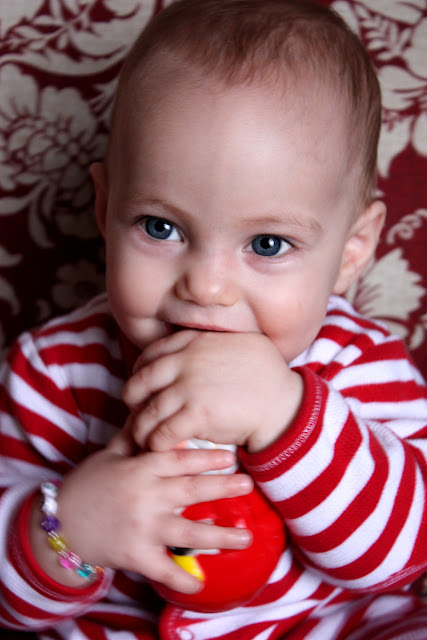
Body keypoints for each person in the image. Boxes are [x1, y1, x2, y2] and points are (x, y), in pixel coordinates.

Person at [1, 0, 427, 638]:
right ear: (105, 208)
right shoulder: (54, 373)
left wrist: (286, 417)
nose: (205, 286)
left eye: (268, 244)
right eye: (160, 227)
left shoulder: (359, 362)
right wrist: (68, 529)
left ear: (351, 252)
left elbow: (402, 559)